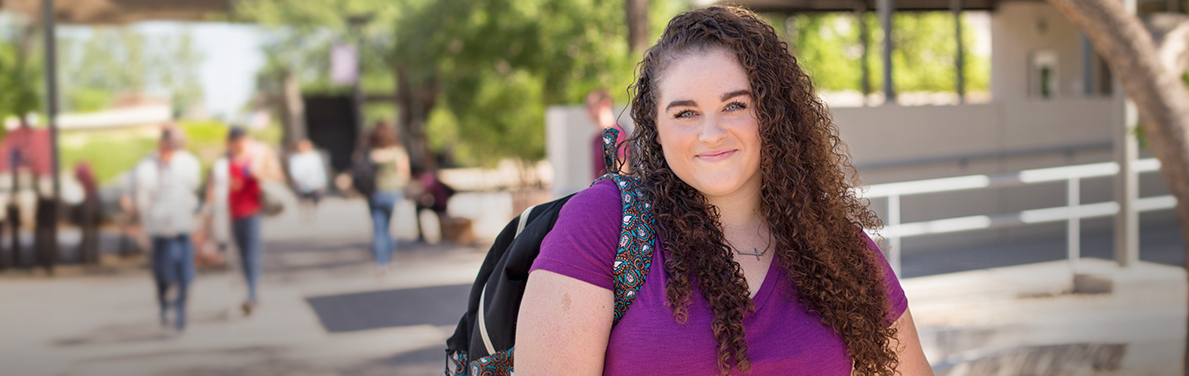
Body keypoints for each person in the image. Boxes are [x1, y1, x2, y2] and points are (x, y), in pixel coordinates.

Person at [514, 6, 931, 375]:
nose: (711, 134)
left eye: (735, 105)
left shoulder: (838, 250)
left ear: (773, 115)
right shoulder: (603, 222)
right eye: (685, 113)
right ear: (656, 129)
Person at [127, 127, 202, 331]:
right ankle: (164, 304)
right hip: (158, 227)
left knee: (185, 272)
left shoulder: (187, 163)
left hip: (182, 225)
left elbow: (192, 191)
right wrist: (141, 222)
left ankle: (180, 310)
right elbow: (142, 197)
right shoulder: (147, 166)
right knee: (162, 273)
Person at [209, 126, 282, 316]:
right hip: (231, 215)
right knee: (238, 255)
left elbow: (276, 176)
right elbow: (214, 188)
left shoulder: (255, 159)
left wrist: (259, 175)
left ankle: (251, 294)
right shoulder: (224, 162)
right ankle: (249, 291)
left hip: (252, 212)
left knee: (251, 254)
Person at [365, 122, 410, 274]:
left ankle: (381, 262)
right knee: (387, 227)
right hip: (391, 193)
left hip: (374, 193)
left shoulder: (370, 152)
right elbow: (404, 173)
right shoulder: (397, 152)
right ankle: (389, 257)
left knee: (379, 229)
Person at [586, 89, 628, 180]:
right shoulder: (596, 139)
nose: (588, 110)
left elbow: (623, 170)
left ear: (605, 103)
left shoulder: (617, 133)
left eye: (591, 105)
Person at [287, 139, 330, 222]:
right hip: (301, 183)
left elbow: (319, 170)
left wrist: (322, 182)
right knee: (304, 200)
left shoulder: (314, 156)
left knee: (314, 199)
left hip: (314, 182)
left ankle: (313, 214)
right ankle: (306, 214)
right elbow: (294, 171)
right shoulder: (295, 158)